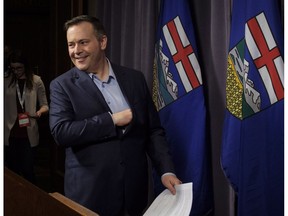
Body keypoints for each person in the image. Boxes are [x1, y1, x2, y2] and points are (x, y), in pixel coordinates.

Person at [49, 15, 182, 216]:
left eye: (83, 42)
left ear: (102, 42)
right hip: (90, 196)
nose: (76, 51)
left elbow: (153, 131)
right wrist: (111, 120)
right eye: (71, 45)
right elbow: (61, 132)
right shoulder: (62, 85)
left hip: (134, 194)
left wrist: (166, 171)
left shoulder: (135, 79)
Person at [4, 51, 49, 183]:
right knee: (12, 172)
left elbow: (45, 105)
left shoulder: (36, 81)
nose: (16, 71)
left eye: (19, 68)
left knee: (28, 170)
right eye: (13, 68)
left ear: (26, 66)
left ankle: (32, 202)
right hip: (10, 132)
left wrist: (39, 112)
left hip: (28, 132)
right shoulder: (5, 81)